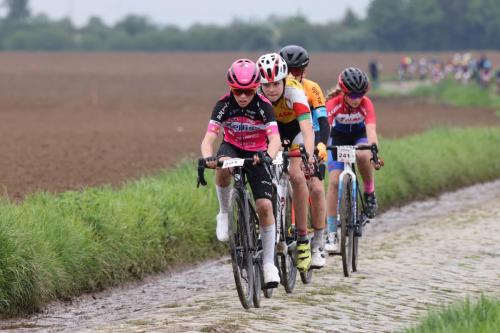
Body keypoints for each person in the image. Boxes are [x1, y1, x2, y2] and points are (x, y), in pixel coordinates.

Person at [200, 59, 282, 287]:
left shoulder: (263, 105)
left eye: (248, 91)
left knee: (265, 206)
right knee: (222, 164)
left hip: (258, 151)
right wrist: (208, 157)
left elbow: (274, 138)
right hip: (232, 146)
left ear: (256, 87)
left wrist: (268, 154)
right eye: (238, 91)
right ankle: (224, 213)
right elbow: (209, 139)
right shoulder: (223, 105)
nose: (243, 96)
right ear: (231, 88)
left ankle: (268, 264)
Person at [256, 52, 316, 273]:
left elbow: (308, 130)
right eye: (266, 85)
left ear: (284, 80)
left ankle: (302, 240)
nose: (271, 90)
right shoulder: (256, 95)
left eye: (275, 84)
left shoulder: (295, 92)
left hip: (295, 130)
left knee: (297, 176)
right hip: (271, 131)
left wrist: (308, 156)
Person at [279, 45, 327, 269]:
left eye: (296, 70)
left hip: (310, 137)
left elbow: (323, 123)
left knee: (315, 187)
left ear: (304, 71)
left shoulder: (312, 89)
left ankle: (317, 243)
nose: (291, 74)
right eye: (287, 69)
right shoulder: (277, 88)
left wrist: (320, 146)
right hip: (284, 137)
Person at [324, 67, 379, 253]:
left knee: (364, 155)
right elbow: (325, 132)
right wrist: (321, 149)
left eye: (360, 95)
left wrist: (374, 152)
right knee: (333, 180)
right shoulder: (333, 104)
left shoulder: (366, 104)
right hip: (337, 138)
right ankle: (331, 234)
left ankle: (369, 193)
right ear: (343, 92)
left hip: (359, 137)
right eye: (352, 95)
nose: (356, 99)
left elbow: (371, 132)